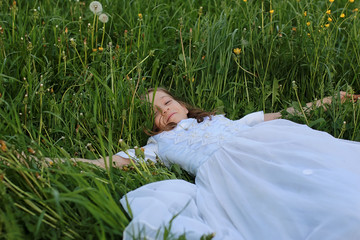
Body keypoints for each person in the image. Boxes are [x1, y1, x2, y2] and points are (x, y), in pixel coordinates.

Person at [79, 88, 360, 239]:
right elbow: (108, 162)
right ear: (150, 125)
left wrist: (328, 101)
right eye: (155, 112)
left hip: (270, 145)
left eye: (166, 101)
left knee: (320, 174)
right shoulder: (158, 146)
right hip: (232, 175)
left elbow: (286, 112)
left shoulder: (223, 120)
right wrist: (53, 160)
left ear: (183, 105)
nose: (164, 109)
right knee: (278, 205)